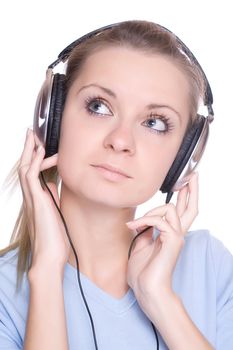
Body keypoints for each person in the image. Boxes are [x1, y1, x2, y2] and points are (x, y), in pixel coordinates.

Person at [0, 20, 232, 350]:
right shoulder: (6, 293)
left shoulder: (210, 265)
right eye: (99, 106)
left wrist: (161, 302)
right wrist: (48, 275)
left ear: (185, 156)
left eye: (154, 123)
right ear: (51, 116)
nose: (121, 141)